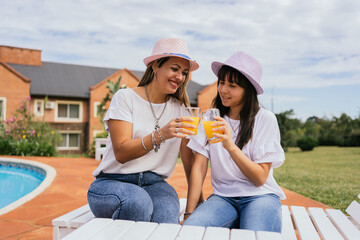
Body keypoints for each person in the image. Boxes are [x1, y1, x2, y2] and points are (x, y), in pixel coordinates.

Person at [87, 38, 199, 224]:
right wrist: (161, 135)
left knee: (167, 214)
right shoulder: (125, 98)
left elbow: (189, 161)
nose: (180, 77)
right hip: (112, 183)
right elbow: (121, 153)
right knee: (138, 202)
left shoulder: (181, 109)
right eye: (174, 69)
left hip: (156, 184)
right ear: (156, 66)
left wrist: (196, 202)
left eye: (184, 72)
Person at [182, 51, 286, 233]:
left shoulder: (265, 119)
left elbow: (260, 178)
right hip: (223, 198)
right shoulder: (210, 118)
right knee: (190, 231)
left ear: (248, 90)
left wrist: (229, 146)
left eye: (233, 85)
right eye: (221, 82)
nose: (223, 90)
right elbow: (199, 168)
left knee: (253, 235)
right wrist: (189, 213)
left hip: (260, 196)